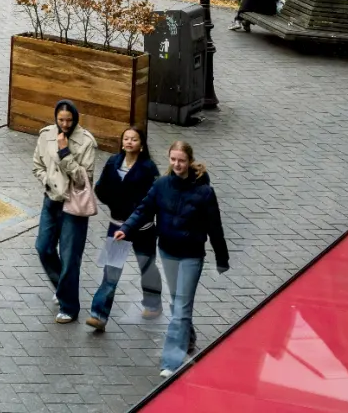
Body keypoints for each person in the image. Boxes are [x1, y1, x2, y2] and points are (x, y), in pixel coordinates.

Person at [115, 139, 230, 377]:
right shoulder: (161, 185)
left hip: (191, 256)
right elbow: (143, 209)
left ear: (189, 161)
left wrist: (221, 258)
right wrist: (126, 228)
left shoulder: (204, 192)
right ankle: (187, 338)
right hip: (167, 252)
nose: (177, 164)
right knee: (178, 303)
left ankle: (170, 361)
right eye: (173, 159)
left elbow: (215, 228)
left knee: (181, 308)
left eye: (182, 160)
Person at [87, 128, 162, 328]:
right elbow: (101, 188)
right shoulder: (113, 163)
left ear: (141, 144)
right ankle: (99, 315)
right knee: (111, 272)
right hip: (118, 226)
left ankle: (153, 303)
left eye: (134, 139)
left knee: (147, 266)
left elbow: (155, 197)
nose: (129, 142)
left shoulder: (148, 168)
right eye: (126, 139)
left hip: (142, 228)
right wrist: (114, 202)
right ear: (121, 143)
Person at [31, 99, 98, 323]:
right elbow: (37, 164)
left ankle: (69, 307)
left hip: (73, 204)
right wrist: (47, 180)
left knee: (70, 258)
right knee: (43, 247)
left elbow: (84, 179)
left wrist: (65, 153)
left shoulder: (86, 142)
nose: (65, 124)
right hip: (51, 199)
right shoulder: (46, 134)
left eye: (69, 120)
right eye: (61, 120)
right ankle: (63, 287)